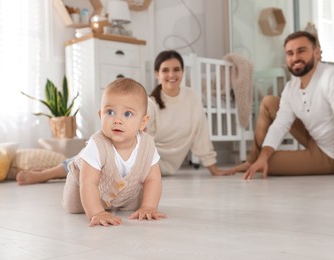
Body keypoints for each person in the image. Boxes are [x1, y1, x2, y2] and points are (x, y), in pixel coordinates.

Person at [16, 50, 233, 185]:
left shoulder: (193, 98)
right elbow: (134, 138)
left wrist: (212, 167)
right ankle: (48, 173)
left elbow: (201, 133)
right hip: (137, 155)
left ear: (183, 72)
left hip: (163, 166)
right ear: (157, 74)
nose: (171, 75)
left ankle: (54, 172)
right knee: (97, 161)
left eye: (176, 69)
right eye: (165, 70)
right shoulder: (150, 103)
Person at [231, 31, 334, 183]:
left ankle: (257, 160)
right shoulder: (291, 88)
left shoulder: (332, 76)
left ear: (316, 53)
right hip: (314, 138)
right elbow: (280, 125)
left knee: (266, 163)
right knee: (269, 102)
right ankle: (251, 161)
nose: (295, 58)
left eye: (301, 51)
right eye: (290, 53)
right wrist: (262, 156)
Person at [62, 78, 166, 227]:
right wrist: (96, 213)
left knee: (137, 199)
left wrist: (149, 206)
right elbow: (88, 183)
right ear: (100, 116)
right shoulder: (97, 144)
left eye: (127, 114)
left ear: (143, 123)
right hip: (82, 187)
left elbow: (153, 179)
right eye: (110, 112)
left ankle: (113, 204)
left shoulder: (147, 145)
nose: (117, 120)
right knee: (72, 206)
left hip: (123, 194)